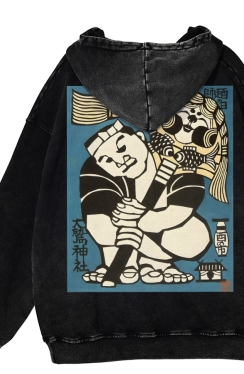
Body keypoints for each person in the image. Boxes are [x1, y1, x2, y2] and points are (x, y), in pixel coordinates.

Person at [79, 119, 211, 285]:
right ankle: (118, 262)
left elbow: (180, 211)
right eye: (107, 160)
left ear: (140, 137)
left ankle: (156, 262)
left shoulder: (176, 158)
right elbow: (96, 222)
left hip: (156, 239)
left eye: (122, 148)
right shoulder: (94, 170)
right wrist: (130, 226)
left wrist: (143, 232)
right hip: (120, 237)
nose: (120, 160)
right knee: (102, 225)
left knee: (198, 236)